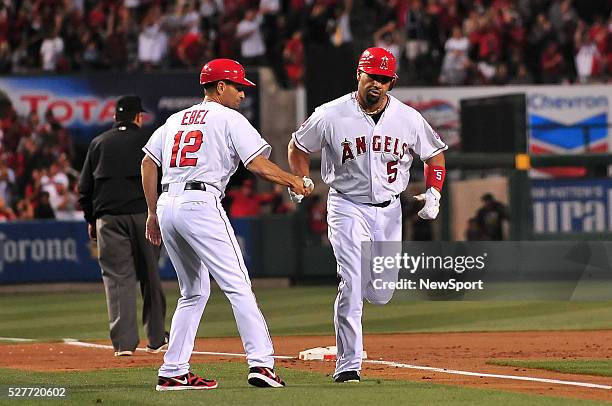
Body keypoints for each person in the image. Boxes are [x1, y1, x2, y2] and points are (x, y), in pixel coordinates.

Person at [141, 58, 313, 391]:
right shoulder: (228, 117)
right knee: (238, 285)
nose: (241, 94)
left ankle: (173, 370)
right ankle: (262, 364)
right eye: (237, 87)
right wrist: (293, 180)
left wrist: (151, 212)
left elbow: (148, 161)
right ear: (220, 87)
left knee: (193, 291)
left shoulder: (175, 119)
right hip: (200, 203)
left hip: (167, 204)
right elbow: (258, 164)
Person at [288, 47, 447, 383]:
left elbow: (434, 156)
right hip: (346, 206)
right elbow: (298, 145)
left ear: (392, 83)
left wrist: (434, 191)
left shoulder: (407, 117)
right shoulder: (330, 114)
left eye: (385, 79)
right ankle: (348, 364)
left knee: (381, 293)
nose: (378, 84)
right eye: (372, 76)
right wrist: (302, 177)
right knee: (352, 280)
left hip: (389, 211)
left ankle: (354, 335)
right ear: (358, 74)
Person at [78, 95, 167, 357]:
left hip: (109, 218)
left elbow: (85, 188)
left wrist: (90, 219)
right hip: (144, 215)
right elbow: (164, 179)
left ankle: (124, 345)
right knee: (150, 276)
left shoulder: (98, 142)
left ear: (116, 118)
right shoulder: (149, 140)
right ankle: (156, 339)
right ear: (138, 117)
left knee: (117, 279)